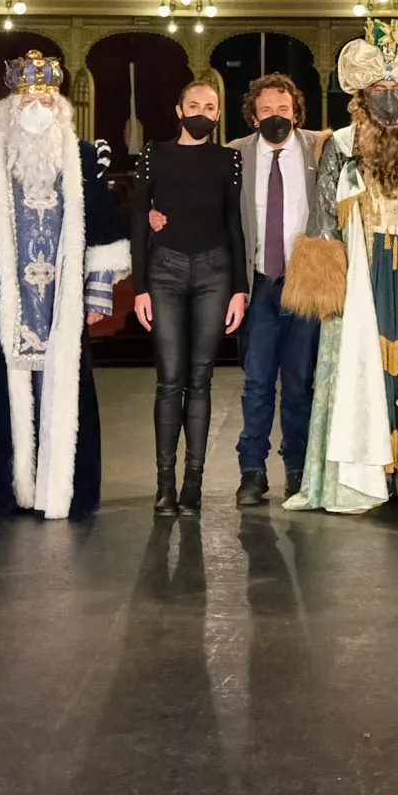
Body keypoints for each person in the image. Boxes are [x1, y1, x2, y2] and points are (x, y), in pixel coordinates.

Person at [282, 22, 398, 513]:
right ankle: (358, 480)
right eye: (379, 89)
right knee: (357, 367)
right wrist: (326, 288)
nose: (390, 99)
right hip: (361, 279)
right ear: (362, 94)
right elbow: (323, 221)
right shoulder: (341, 146)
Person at [0, 52, 128, 519]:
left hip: (63, 300)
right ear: (10, 107)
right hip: (4, 297)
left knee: (65, 385)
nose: (36, 110)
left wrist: (98, 290)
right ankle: (2, 491)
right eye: (27, 100)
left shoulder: (83, 156)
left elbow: (104, 228)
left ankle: (62, 490)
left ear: (60, 109)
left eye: (46, 102)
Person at [130, 78, 248, 514]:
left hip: (216, 272)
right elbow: (140, 220)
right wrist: (139, 287)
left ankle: (193, 484)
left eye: (211, 106)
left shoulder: (229, 160)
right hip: (164, 272)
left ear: (218, 115)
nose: (202, 111)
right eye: (194, 104)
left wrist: (240, 289)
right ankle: (165, 484)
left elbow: (234, 224)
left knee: (201, 380)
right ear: (179, 111)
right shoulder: (154, 154)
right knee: (169, 379)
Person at [232, 73, 323, 507]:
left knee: (300, 383)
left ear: (295, 112)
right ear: (253, 114)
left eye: (282, 110)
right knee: (257, 384)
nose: (274, 117)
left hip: (305, 282)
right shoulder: (234, 155)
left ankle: (298, 470)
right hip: (259, 285)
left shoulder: (319, 150)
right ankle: (252, 472)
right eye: (266, 110)